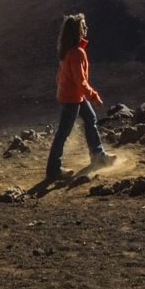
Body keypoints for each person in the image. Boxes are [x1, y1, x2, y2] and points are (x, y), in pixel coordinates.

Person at [45, 12, 112, 182]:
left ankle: (99, 156)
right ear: (77, 30)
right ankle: (53, 171)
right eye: (83, 26)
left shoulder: (68, 50)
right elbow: (80, 81)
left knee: (90, 119)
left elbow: (59, 76)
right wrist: (94, 97)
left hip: (72, 95)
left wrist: (64, 90)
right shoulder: (76, 53)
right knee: (63, 133)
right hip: (73, 97)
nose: (86, 28)